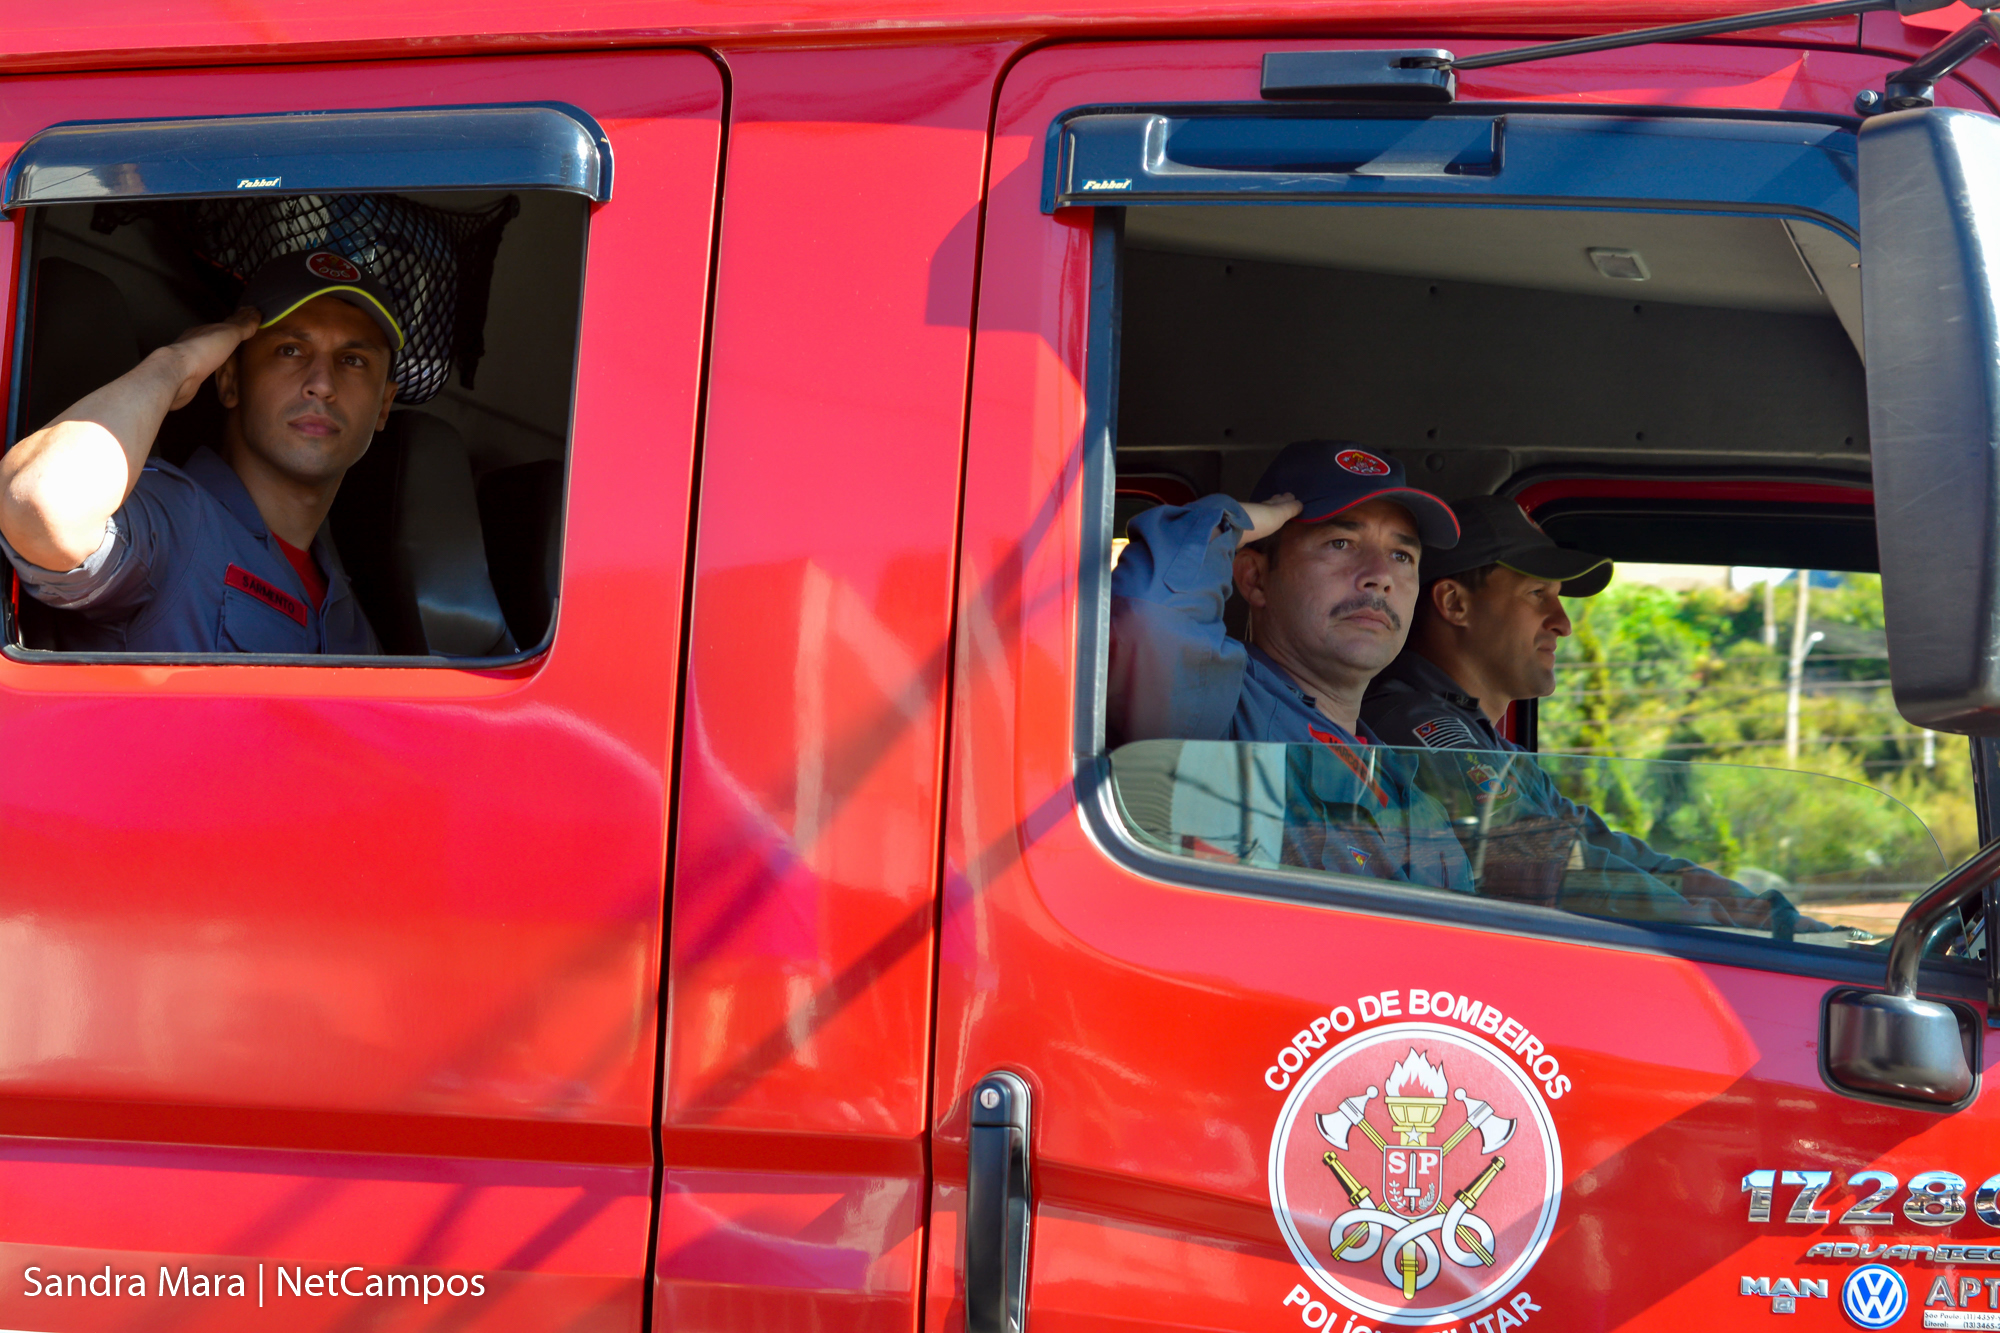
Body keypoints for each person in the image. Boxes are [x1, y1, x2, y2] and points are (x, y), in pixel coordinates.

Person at [1360, 493, 1819, 933]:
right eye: (1537, 593)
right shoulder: (1420, 731)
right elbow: (1553, 875)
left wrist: (1771, 921)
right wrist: (1721, 933)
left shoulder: (1493, 748)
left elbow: (1605, 851)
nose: (1563, 622)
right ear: (1455, 604)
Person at [0, 249, 404, 653]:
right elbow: (37, 504)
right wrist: (175, 364)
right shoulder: (172, 521)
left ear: (384, 405)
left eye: (352, 360)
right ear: (229, 381)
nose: (322, 384)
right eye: (291, 350)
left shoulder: (349, 614)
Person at [1108, 439, 1471, 887]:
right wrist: (1231, 521)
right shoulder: (1215, 712)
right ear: (1255, 578)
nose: (1380, 576)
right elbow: (1147, 618)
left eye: (1402, 555)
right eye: (1340, 542)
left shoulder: (1409, 789)